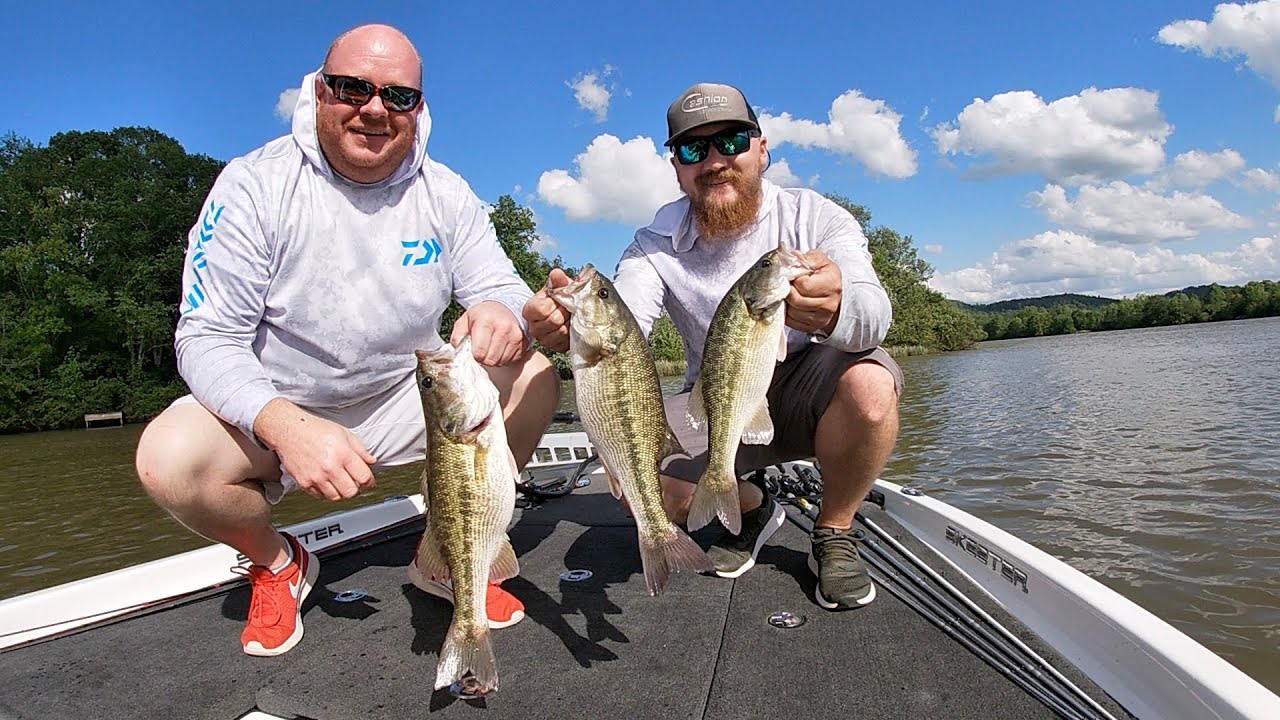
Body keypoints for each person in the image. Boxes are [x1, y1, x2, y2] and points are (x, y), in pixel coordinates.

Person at [135, 24, 559, 656]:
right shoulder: (254, 185)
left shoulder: (447, 193)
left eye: (399, 96)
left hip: (410, 397)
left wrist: (504, 311)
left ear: (419, 108)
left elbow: (497, 282)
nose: (374, 109)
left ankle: (444, 557)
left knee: (535, 377)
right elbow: (206, 337)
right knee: (167, 459)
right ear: (318, 91)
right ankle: (279, 560)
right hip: (278, 405)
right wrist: (284, 425)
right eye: (352, 87)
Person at [524, 82, 902, 610]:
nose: (715, 160)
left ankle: (834, 530)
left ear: (763, 147)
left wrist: (839, 307)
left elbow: (874, 316)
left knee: (871, 383)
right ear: (676, 166)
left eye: (732, 141)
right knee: (645, 484)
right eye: (692, 149)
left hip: (813, 388)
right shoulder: (651, 246)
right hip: (717, 400)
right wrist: (572, 325)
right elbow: (626, 320)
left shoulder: (816, 217)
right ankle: (750, 505)